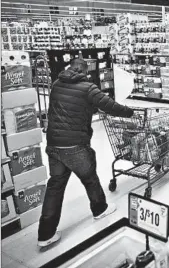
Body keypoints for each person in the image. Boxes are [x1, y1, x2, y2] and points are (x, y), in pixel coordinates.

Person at [38, 57, 134, 248]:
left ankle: (45, 235)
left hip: (54, 144)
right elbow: (110, 105)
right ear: (84, 71)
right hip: (75, 145)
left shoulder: (56, 84)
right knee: (89, 178)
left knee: (55, 186)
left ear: (69, 67)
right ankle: (100, 210)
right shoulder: (88, 87)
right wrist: (130, 112)